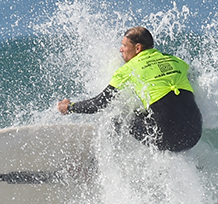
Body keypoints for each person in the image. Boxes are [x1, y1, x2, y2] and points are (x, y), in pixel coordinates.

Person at [57, 26, 202, 152]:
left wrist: (70, 107)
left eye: (124, 46)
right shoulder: (176, 61)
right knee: (148, 112)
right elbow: (193, 77)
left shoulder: (127, 70)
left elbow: (100, 103)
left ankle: (109, 168)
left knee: (119, 117)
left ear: (137, 48)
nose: (121, 49)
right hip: (194, 134)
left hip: (167, 139)